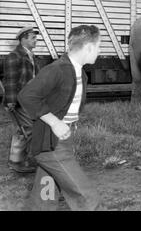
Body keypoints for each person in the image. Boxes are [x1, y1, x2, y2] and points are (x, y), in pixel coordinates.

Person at [18, 25, 102, 211]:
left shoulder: (79, 72)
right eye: (98, 46)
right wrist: (55, 122)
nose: (100, 50)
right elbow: (27, 96)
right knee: (86, 195)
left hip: (62, 141)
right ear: (88, 47)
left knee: (44, 198)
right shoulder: (57, 69)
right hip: (50, 144)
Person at [3, 26, 39, 173]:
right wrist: (11, 102)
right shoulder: (15, 56)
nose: (36, 40)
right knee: (26, 129)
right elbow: (10, 81)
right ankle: (16, 162)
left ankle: (22, 159)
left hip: (28, 99)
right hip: (18, 100)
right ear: (23, 39)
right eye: (33, 38)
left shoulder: (30, 55)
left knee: (28, 128)